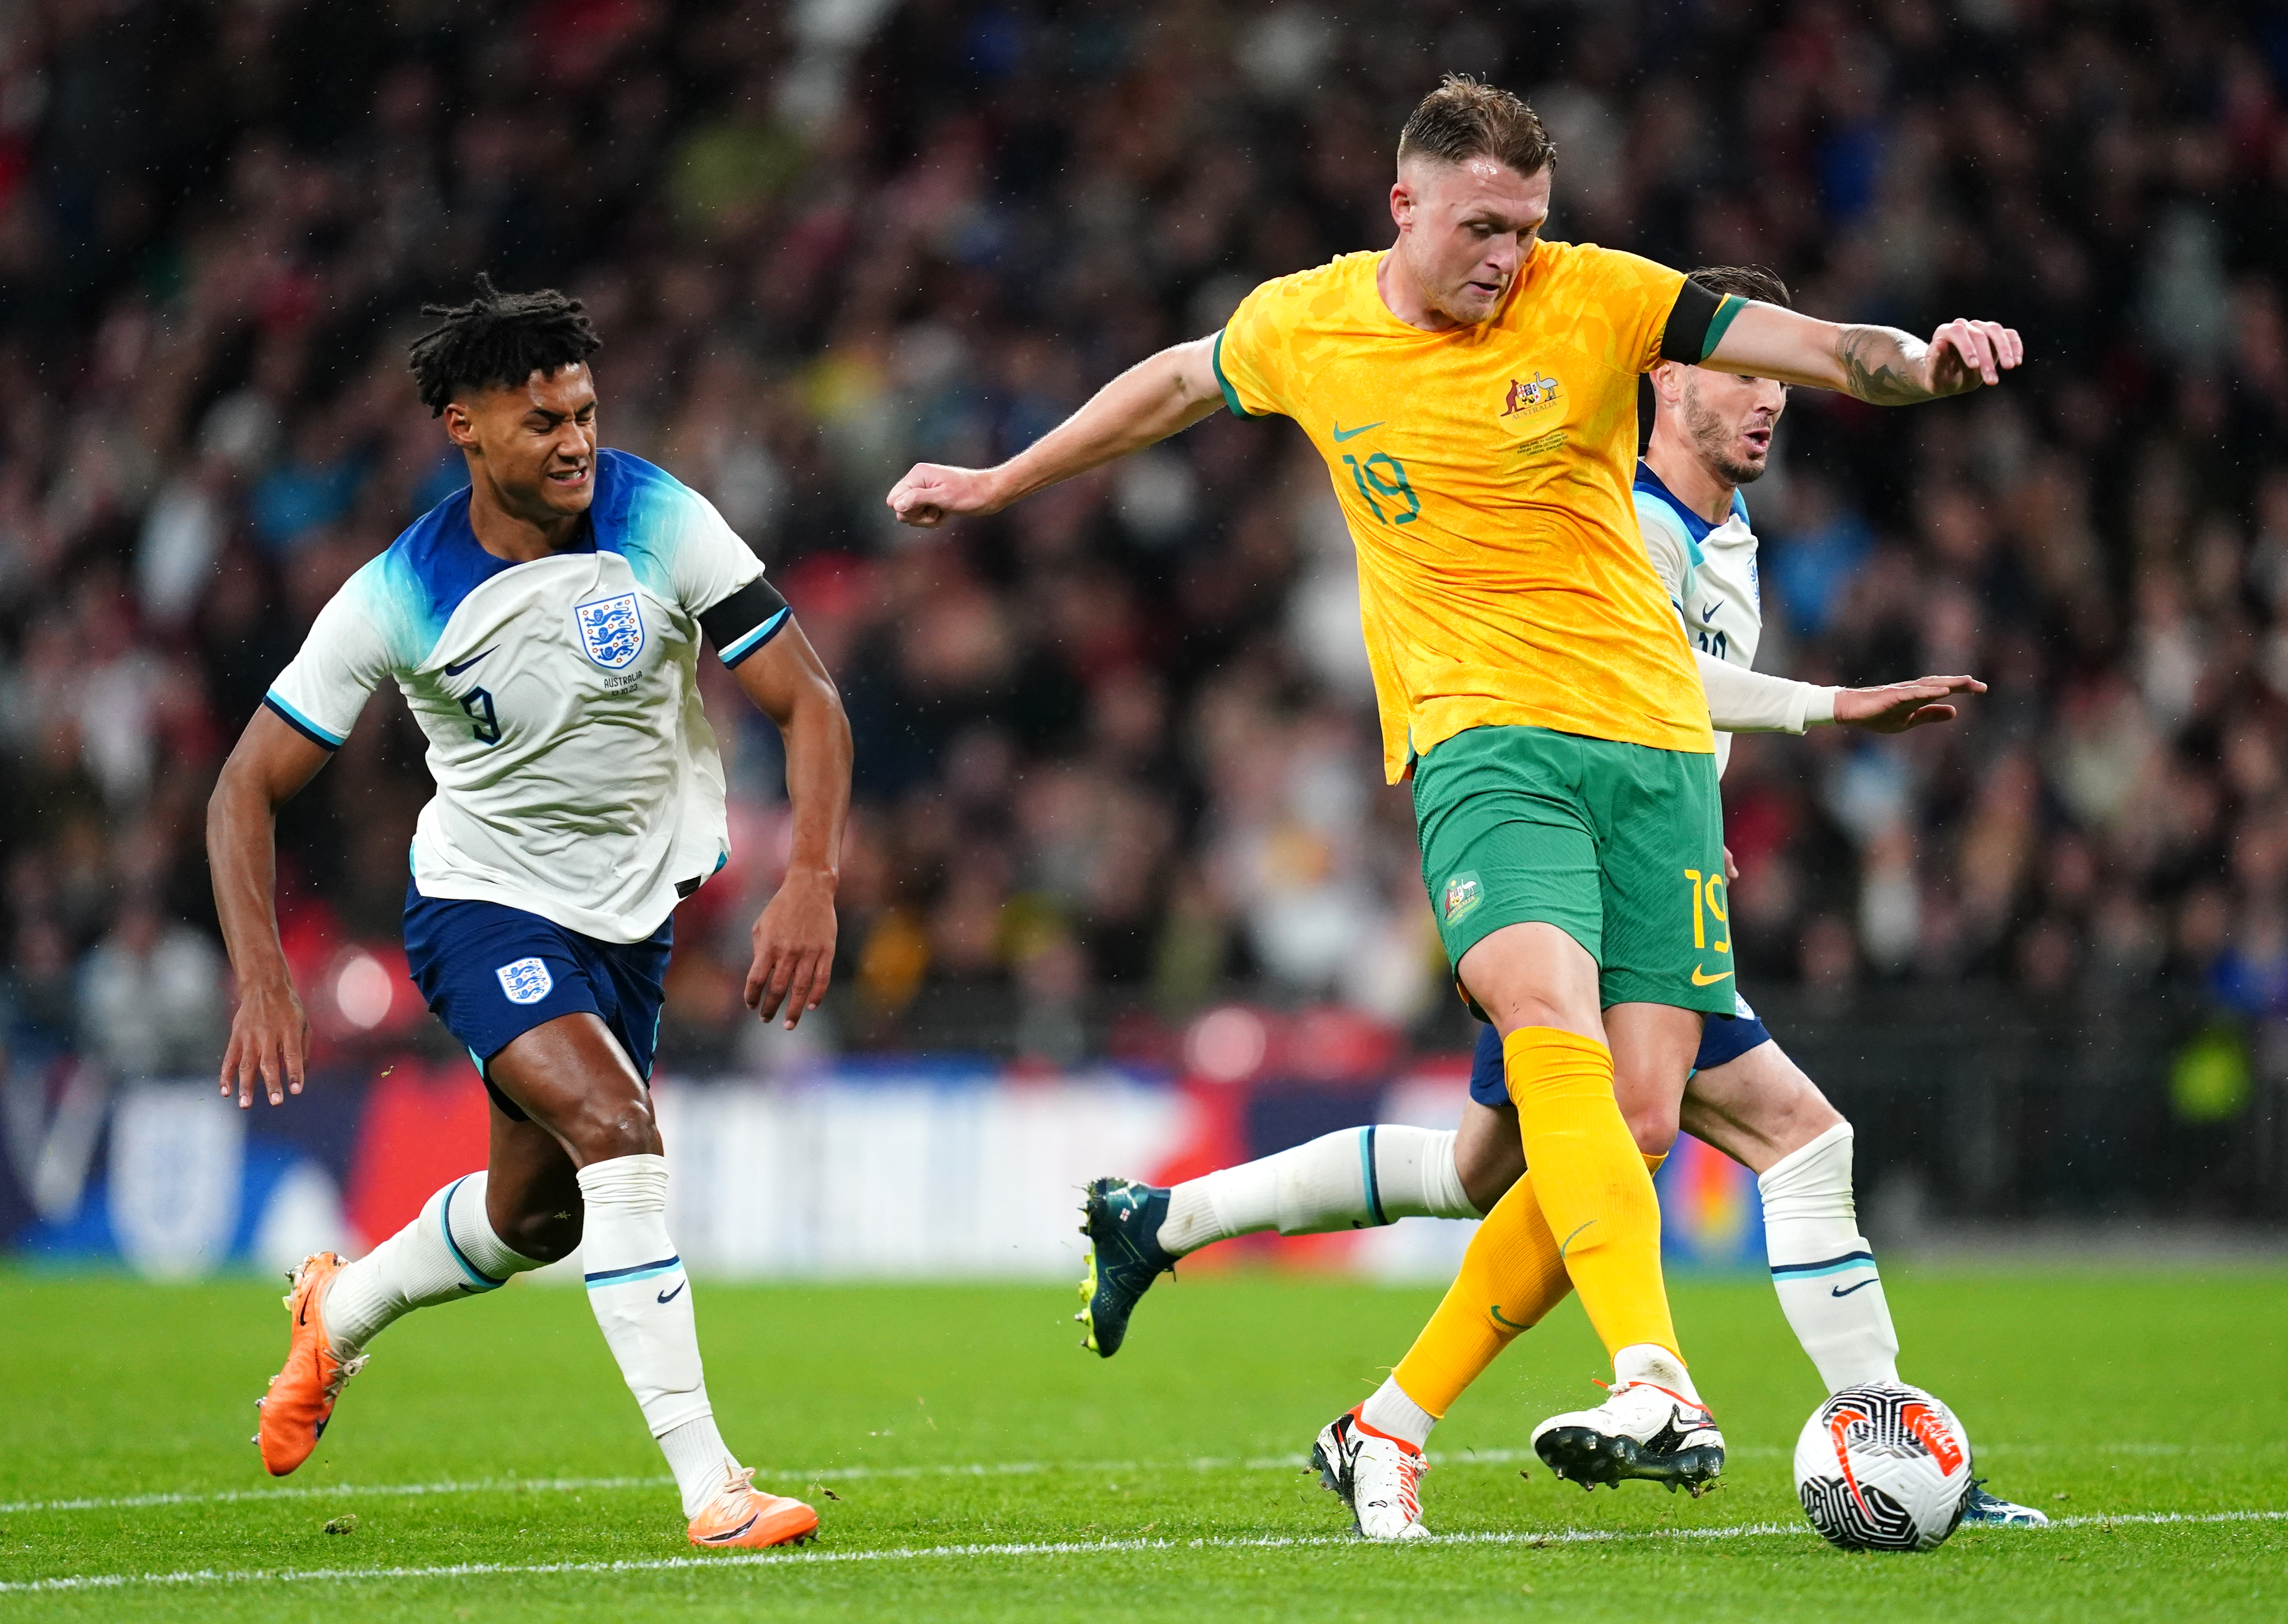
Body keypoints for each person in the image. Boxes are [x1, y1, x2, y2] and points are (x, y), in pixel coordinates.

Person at [887, 75, 2019, 1540]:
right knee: (1566, 1036)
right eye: (1484, 226)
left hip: (1657, 754)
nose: (1510, 255)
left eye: (1531, 227)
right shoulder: (1310, 324)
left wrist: (1924, 362)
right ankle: (1655, 1376)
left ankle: (1298, 1343)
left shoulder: (1602, 296)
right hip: (1483, 739)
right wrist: (999, 481)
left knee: (1584, 1133)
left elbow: (1831, 353)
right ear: (1404, 204)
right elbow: (1174, 381)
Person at [208, 277, 853, 1551]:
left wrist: (814, 875)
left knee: (538, 1218)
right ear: (463, 427)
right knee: (621, 1132)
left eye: (587, 414)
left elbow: (810, 700)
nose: (576, 442)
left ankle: (336, 1315)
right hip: (483, 906)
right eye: (543, 421)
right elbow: (244, 788)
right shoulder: (399, 593)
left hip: (630, 921)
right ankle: (712, 1488)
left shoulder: (659, 516)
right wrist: (262, 973)